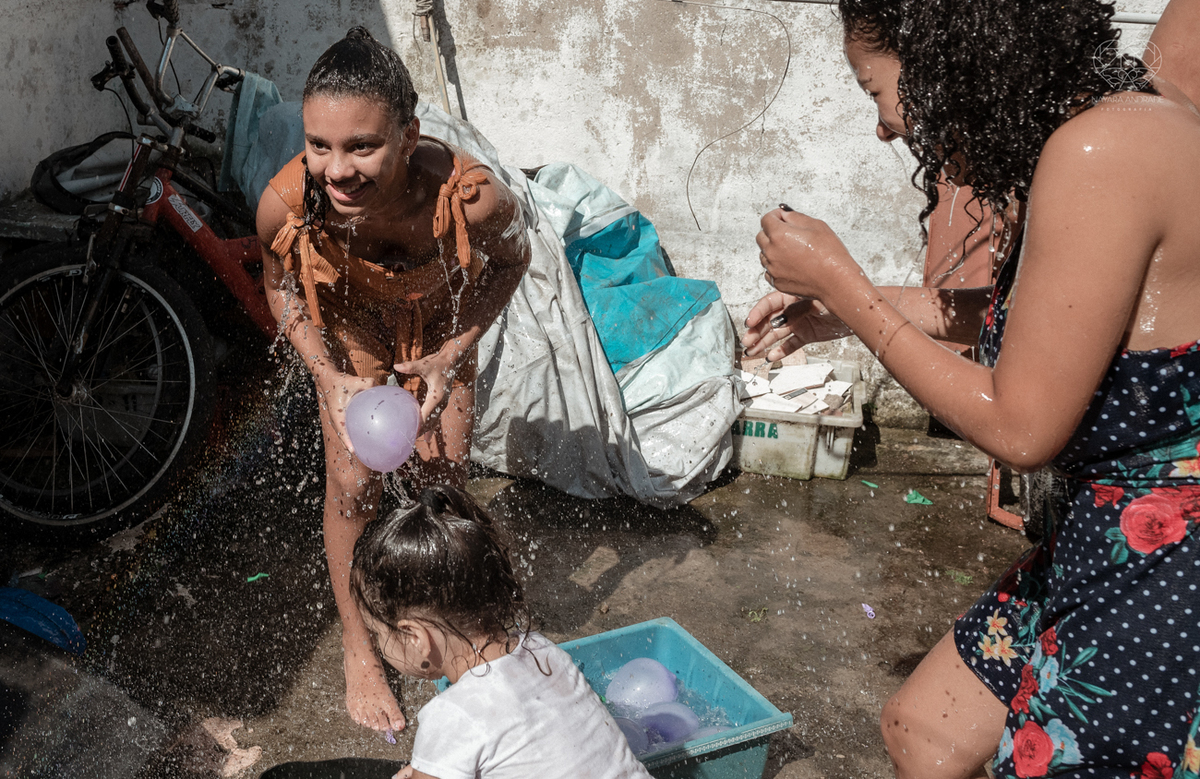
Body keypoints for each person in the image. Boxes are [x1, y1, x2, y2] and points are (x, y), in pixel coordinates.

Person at [744, 0, 1200, 776]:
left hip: (1165, 574)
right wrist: (845, 310)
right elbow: (1047, 322)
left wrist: (846, 285)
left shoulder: (1102, 150)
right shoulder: (1093, 126)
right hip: (1099, 531)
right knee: (925, 727)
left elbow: (1021, 424)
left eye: (875, 92)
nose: (883, 127)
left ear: (946, 64)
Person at [256, 28, 531, 733]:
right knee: (353, 486)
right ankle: (360, 642)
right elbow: (281, 285)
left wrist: (453, 352)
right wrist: (326, 374)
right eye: (319, 144)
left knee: (444, 481)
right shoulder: (288, 206)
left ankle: (452, 636)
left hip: (436, 332)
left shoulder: (467, 200)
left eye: (362, 146)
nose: (336, 170)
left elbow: (511, 263)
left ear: (409, 136)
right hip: (346, 331)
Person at [349, 486, 653, 779]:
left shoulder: (452, 717)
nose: (377, 643)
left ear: (416, 638)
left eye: (376, 633)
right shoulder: (542, 650)